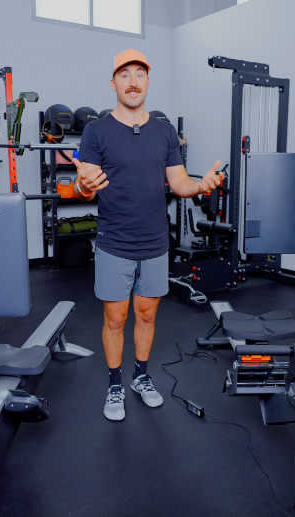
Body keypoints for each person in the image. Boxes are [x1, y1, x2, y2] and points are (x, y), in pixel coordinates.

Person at [72, 49, 225, 421]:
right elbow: (85, 185)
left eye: (139, 73)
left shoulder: (164, 131)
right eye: (125, 75)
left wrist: (200, 185)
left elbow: (179, 183)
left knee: (146, 314)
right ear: (114, 83)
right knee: (115, 318)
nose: (133, 81)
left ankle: (140, 377)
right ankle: (114, 384)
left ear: (148, 81)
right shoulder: (97, 130)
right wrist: (81, 186)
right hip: (114, 242)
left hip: (156, 243)